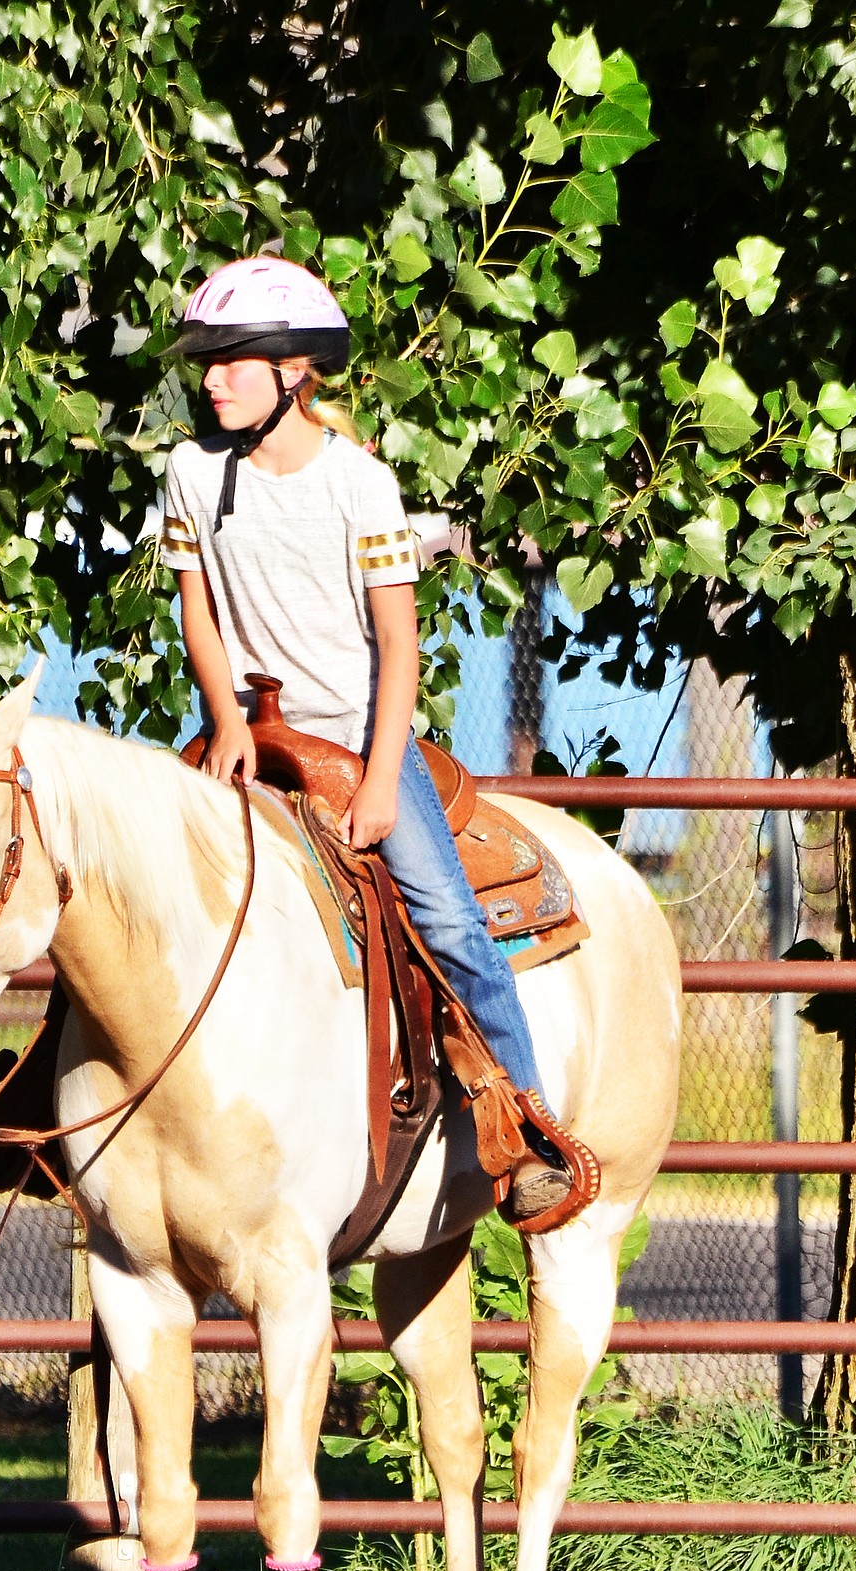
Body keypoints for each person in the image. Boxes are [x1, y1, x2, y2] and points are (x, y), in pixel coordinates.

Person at [161, 254, 586, 1223]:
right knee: (135, 886)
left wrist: (385, 782)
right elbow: (198, 614)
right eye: (209, 362)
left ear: (295, 371)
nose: (213, 377)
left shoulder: (359, 485)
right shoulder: (193, 472)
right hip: (246, 732)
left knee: (446, 918)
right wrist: (225, 716)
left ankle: (528, 1127)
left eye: (234, 360)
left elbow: (400, 643)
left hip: (358, 741)